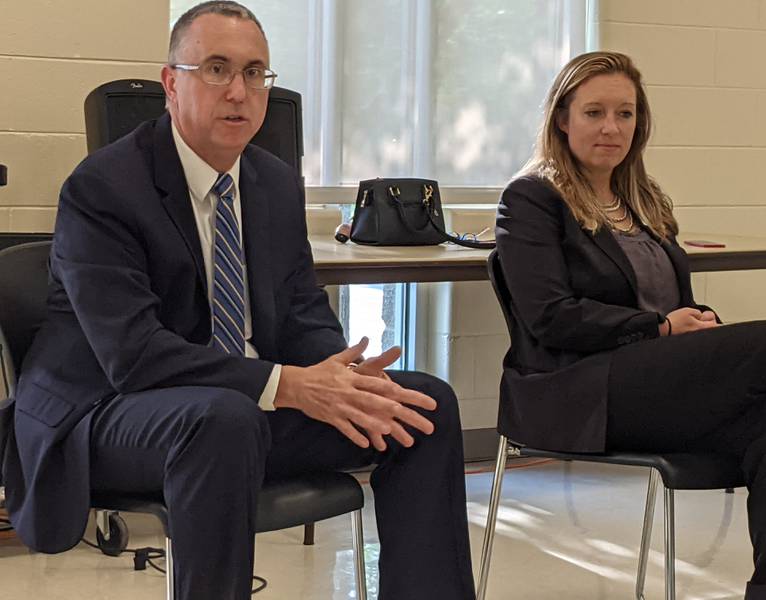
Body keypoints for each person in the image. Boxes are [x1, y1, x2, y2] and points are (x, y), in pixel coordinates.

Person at [3, 3, 476, 599]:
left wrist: (340, 375)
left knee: (421, 406)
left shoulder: (272, 182)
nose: (239, 91)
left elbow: (302, 311)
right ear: (172, 84)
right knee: (222, 420)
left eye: (255, 73)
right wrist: (290, 385)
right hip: (106, 410)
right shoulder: (103, 187)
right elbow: (134, 356)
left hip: (238, 410)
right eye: (217, 69)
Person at [495, 50, 766, 599]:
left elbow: (675, 305)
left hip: (654, 383)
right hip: (577, 389)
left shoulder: (646, 201)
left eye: (626, 114)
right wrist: (658, 328)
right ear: (561, 119)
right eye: (594, 113)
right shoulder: (532, 198)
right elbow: (550, 318)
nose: (612, 127)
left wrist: (698, 330)